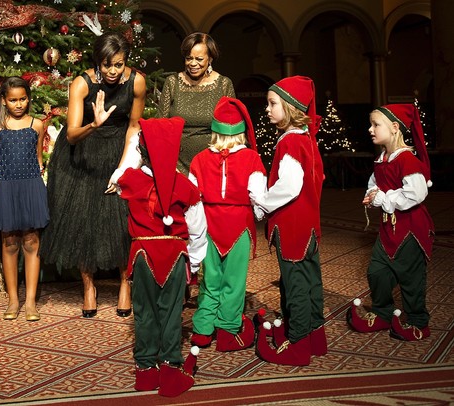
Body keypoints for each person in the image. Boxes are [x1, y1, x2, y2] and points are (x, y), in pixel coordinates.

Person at [42, 31, 146, 318]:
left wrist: (123, 168)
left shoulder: (137, 82)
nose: (112, 71)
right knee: (83, 220)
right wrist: (94, 125)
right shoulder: (81, 83)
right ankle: (89, 286)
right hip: (84, 152)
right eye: (106, 65)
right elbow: (72, 134)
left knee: (122, 218)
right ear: (97, 62)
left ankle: (125, 284)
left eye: (119, 64)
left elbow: (134, 126)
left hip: (120, 148)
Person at [117, 117, 207, 397]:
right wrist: (194, 262)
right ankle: (170, 367)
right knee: (171, 312)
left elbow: (118, 178)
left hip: (143, 253)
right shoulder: (185, 185)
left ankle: (145, 369)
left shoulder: (129, 180)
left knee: (144, 311)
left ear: (141, 150)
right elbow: (198, 228)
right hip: (175, 254)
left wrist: (135, 151)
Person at [251, 76, 327, 366]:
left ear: (291, 107)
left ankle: (298, 343)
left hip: (292, 226)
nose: (267, 109)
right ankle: (315, 337)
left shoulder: (291, 142)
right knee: (310, 281)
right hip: (308, 224)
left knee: (294, 284)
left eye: (272, 104)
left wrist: (262, 202)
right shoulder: (305, 139)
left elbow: (290, 186)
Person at [347, 104, 434, 341]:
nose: (370, 129)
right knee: (377, 272)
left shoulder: (407, 159)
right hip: (388, 228)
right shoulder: (381, 159)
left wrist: (384, 199)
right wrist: (372, 195)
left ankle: (418, 322)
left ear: (395, 127)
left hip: (411, 229)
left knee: (410, 278)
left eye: (376, 125)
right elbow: (374, 183)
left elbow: (416, 194)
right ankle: (383, 313)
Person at [189, 97, 267, 352]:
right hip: (239, 226)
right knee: (234, 280)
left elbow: (192, 198)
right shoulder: (252, 158)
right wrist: (261, 215)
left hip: (208, 224)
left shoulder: (199, 159)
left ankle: (202, 329)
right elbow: (258, 196)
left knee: (210, 279)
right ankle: (227, 329)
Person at [0, 77, 49, 322]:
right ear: (3, 100)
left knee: (31, 241)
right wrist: (7, 167)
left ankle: (30, 301)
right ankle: (13, 299)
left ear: (28, 98)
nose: (18, 104)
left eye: (23, 99)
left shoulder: (36, 124)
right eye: (13, 100)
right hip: (6, 187)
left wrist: (33, 171)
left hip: (31, 186)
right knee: (9, 242)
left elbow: (38, 157)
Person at [157, 32, 235, 175]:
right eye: (189, 58)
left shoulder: (224, 84)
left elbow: (232, 130)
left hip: (213, 164)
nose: (193, 63)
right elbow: (160, 125)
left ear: (210, 59)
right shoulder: (172, 83)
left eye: (199, 59)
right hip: (176, 165)